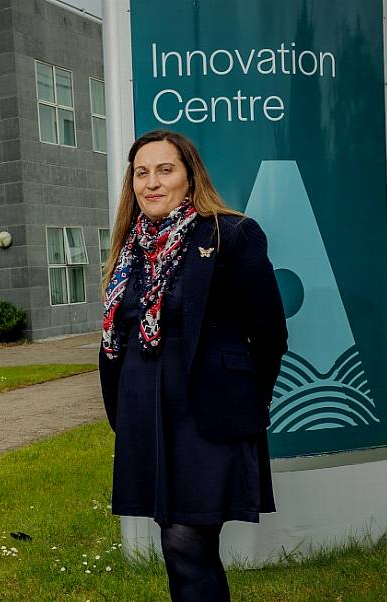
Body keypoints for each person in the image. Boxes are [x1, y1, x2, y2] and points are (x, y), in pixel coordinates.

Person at [99, 129, 288, 601]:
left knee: (186, 541)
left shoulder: (231, 234)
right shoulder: (130, 248)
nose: (152, 183)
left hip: (208, 416)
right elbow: (117, 336)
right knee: (182, 546)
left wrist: (241, 404)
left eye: (165, 170)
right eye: (142, 173)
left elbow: (269, 335)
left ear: (190, 176)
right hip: (148, 411)